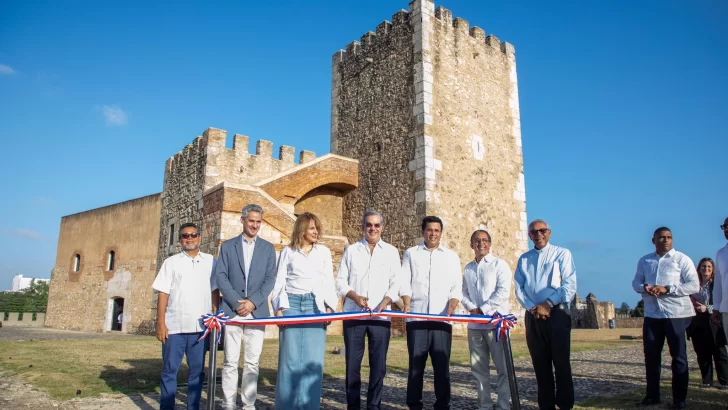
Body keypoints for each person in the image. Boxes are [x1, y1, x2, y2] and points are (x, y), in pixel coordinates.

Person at [271, 212, 338, 409]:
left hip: (314, 306)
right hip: (291, 305)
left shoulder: (323, 252)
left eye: (317, 228)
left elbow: (328, 281)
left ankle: (309, 405)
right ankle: (286, 405)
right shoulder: (287, 252)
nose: (316, 232)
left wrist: (329, 307)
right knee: (289, 360)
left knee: (313, 361)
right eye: (311, 228)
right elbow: (279, 281)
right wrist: (278, 309)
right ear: (301, 229)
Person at [336, 210, 400, 410]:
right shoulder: (352, 251)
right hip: (354, 314)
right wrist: (355, 296)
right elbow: (340, 281)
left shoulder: (391, 252)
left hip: (381, 316)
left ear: (382, 227)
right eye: (369, 225)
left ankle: (374, 406)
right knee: (352, 367)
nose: (373, 228)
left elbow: (397, 282)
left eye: (376, 225)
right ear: (363, 227)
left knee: (378, 366)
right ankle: (353, 406)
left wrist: (386, 301)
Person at [216, 204, 277, 410]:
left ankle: (248, 404)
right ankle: (228, 403)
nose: (255, 225)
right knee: (230, 362)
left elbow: (270, 279)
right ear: (242, 220)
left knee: (252, 363)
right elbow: (221, 276)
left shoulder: (268, 249)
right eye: (251, 221)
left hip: (256, 312)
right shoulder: (227, 246)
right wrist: (236, 302)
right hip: (232, 311)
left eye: (258, 221)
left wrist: (252, 302)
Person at [631, 227, 699, 409]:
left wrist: (667, 289)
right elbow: (635, 282)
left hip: (676, 314)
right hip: (653, 314)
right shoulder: (645, 261)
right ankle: (652, 395)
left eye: (669, 237)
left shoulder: (681, 259)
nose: (666, 240)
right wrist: (644, 288)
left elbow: (694, 285)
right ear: (654, 240)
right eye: (662, 238)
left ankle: (679, 400)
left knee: (678, 357)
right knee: (651, 356)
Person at [152, 223, 218, 410]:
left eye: (193, 235)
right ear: (180, 239)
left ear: (199, 237)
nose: (189, 238)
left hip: (200, 329)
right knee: (169, 371)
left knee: (197, 373)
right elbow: (163, 293)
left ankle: (193, 407)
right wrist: (161, 323)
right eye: (185, 236)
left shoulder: (211, 262)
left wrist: (215, 318)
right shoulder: (171, 263)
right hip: (175, 327)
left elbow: (215, 291)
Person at [400, 216, 463, 410]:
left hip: (442, 319)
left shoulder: (451, 256)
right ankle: (414, 405)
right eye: (429, 230)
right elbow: (405, 281)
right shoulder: (411, 253)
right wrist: (406, 303)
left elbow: (456, 285)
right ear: (423, 231)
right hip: (417, 318)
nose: (433, 233)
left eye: (437, 230)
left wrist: (452, 306)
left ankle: (442, 405)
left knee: (441, 367)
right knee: (416, 366)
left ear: (441, 233)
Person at [514, 219, 577, 410]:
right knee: (540, 365)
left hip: (556, 314)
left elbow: (569, 285)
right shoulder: (524, 259)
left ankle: (565, 404)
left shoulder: (562, 254)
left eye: (542, 231)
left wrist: (548, 304)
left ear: (548, 232)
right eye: (534, 232)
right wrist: (533, 307)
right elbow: (519, 287)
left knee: (561, 363)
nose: (538, 234)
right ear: (529, 235)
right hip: (533, 316)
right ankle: (546, 405)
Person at [462, 230, 512, 410]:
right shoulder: (468, 267)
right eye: (477, 240)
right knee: (479, 369)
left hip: (495, 324)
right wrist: (471, 308)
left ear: (490, 244)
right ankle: (485, 405)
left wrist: (483, 309)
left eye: (484, 240)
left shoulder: (500, 265)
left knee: (502, 368)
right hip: (475, 326)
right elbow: (464, 292)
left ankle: (504, 405)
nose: (480, 243)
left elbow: (503, 292)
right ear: (471, 244)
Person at [687, 257, 728, 389]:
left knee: (720, 353)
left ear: (713, 270)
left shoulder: (717, 284)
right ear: (699, 269)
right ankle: (707, 381)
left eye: (709, 267)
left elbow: (721, 301)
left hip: (714, 322)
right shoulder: (693, 285)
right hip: (697, 323)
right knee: (702, 354)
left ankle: (725, 381)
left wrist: (707, 308)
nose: (706, 269)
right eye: (704, 266)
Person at [713, 217, 728, 346]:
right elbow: (718, 283)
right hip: (726, 307)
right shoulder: (721, 253)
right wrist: (716, 307)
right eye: (725, 226)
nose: (727, 229)